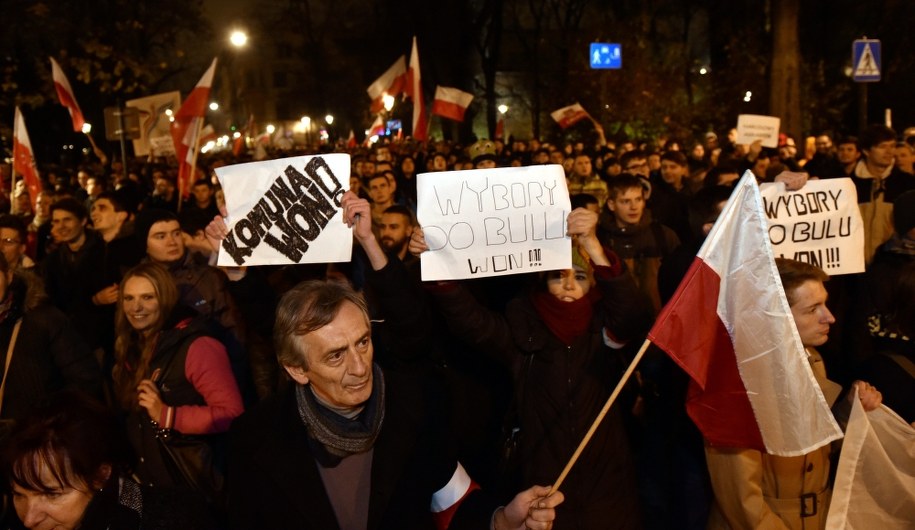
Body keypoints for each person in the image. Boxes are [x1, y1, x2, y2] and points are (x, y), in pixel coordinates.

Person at [219, 191, 564, 530]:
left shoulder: (415, 408)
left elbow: (453, 503)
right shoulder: (254, 440)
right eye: (336, 355)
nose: (359, 367)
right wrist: (239, 274)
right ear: (297, 369)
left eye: (363, 342)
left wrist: (501, 520)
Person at [409, 205, 651, 529]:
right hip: (544, 484)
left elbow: (633, 315)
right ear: (542, 281)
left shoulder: (604, 330)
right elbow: (473, 323)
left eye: (579, 276)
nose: (568, 285)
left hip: (608, 485)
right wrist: (438, 267)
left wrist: (592, 244)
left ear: (591, 284)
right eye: (557, 276)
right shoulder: (523, 331)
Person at [705, 258, 883, 530]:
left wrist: (851, 410)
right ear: (776, 316)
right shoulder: (735, 385)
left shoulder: (813, 361)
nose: (830, 317)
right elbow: (743, 502)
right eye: (813, 309)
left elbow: (817, 448)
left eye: (825, 303)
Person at [112, 262, 243, 500]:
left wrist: (167, 415)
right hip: (154, 489)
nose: (136, 307)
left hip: (194, 490)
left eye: (147, 297)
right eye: (128, 298)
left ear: (166, 298)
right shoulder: (130, 348)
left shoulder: (198, 346)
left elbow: (232, 414)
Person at [2, 391, 215, 530]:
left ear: (101, 475)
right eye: (19, 494)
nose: (29, 519)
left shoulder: (175, 521)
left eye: (51, 494)